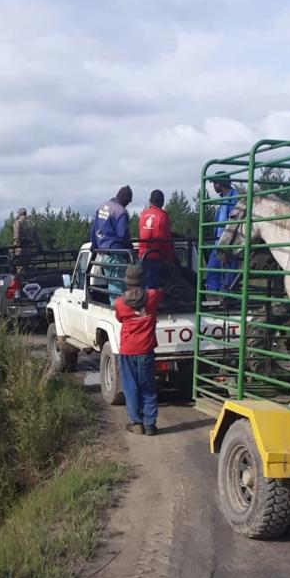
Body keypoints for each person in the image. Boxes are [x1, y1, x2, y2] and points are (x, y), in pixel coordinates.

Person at [114, 264, 164, 436]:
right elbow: (160, 292)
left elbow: (120, 319)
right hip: (146, 350)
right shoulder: (151, 296)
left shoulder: (120, 303)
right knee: (148, 387)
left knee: (130, 387)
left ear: (127, 282)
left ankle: (137, 423)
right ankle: (150, 424)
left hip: (127, 350)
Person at [90, 186, 133, 301]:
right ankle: (117, 313)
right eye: (128, 202)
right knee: (117, 287)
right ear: (126, 199)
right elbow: (122, 235)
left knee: (114, 284)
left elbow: (94, 229)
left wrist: (94, 247)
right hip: (115, 253)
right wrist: (130, 249)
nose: (127, 205)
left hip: (103, 254)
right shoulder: (120, 211)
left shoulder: (102, 207)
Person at [206, 177, 239, 297]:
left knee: (228, 271)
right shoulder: (224, 198)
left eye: (215, 182)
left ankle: (226, 297)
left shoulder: (234, 197)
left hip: (228, 240)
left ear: (221, 183)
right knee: (213, 270)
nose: (214, 185)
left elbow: (235, 220)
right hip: (219, 241)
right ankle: (213, 296)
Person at [138, 189, 175, 290]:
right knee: (153, 288)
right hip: (156, 256)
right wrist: (169, 258)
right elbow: (166, 239)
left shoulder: (143, 214)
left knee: (144, 285)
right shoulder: (163, 216)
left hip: (142, 255)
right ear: (162, 201)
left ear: (150, 200)